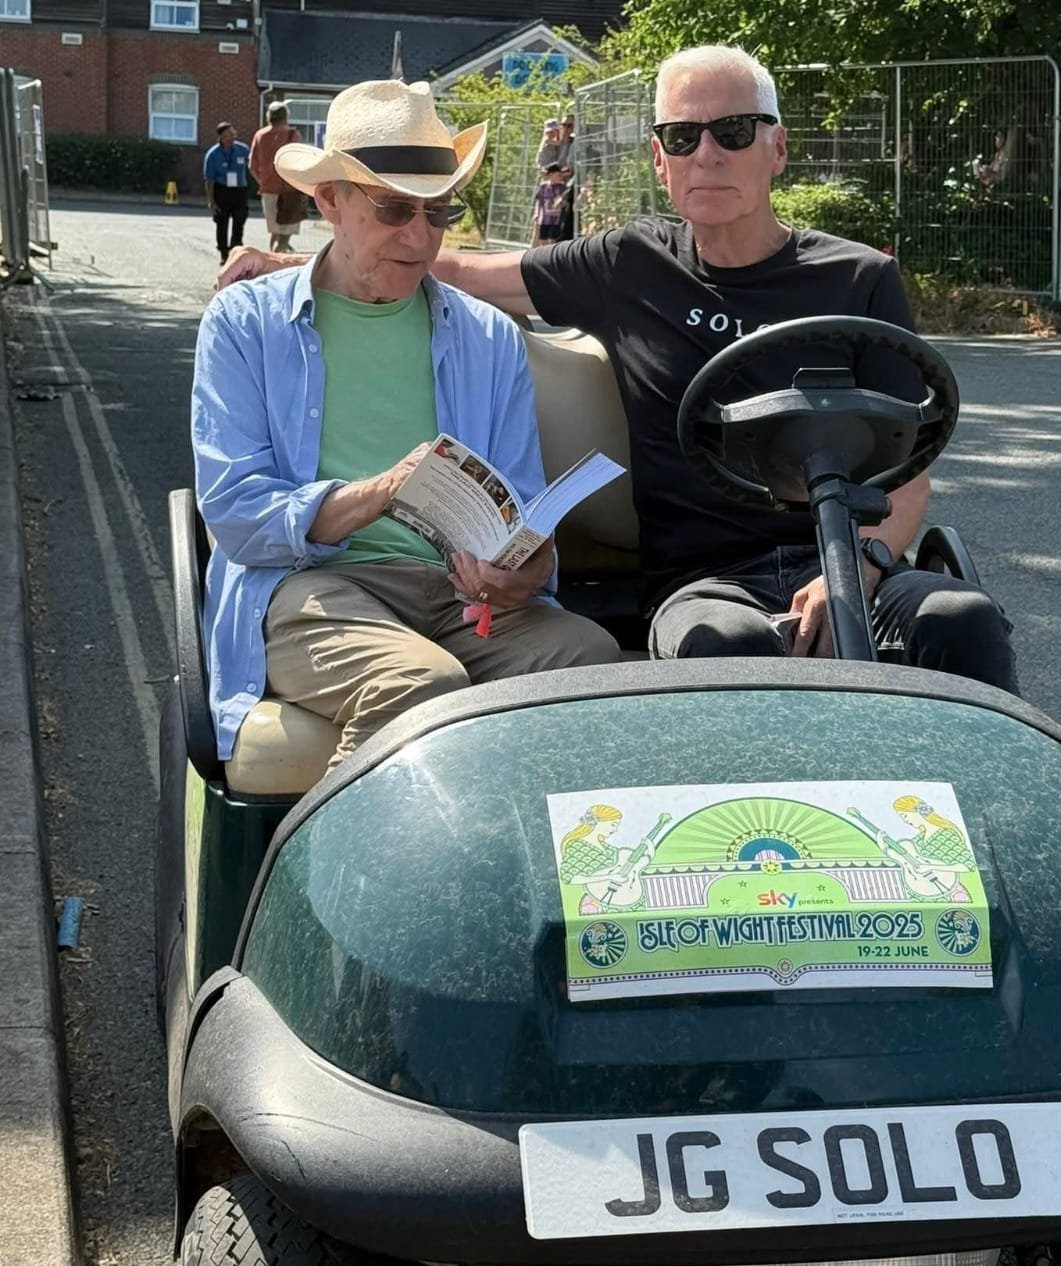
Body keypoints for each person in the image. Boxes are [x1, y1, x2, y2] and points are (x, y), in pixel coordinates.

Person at [215, 47, 1017, 694]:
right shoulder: (629, 263)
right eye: (681, 137)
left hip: (852, 555)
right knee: (724, 649)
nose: (707, 154)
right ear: (662, 163)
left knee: (962, 618)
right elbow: (442, 264)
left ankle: (989, 857)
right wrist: (284, 264)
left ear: (778, 147)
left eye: (734, 131)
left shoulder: (859, 279)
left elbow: (909, 473)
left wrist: (861, 570)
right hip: (708, 580)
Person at [193, 78, 618, 777]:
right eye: (395, 210)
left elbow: (521, 503)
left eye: (438, 212)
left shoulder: (489, 336)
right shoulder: (245, 324)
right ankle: (337, 883)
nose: (420, 238)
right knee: (422, 686)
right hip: (312, 583)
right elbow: (236, 513)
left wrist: (525, 569)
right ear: (330, 200)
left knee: (591, 663)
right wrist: (379, 493)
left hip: (457, 598)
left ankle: (531, 873)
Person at [248, 100, 302, 252]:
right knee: (285, 234)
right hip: (290, 190)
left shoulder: (260, 135)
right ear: (286, 116)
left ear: (269, 116)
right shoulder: (293, 134)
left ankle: (272, 258)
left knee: (275, 231)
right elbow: (298, 161)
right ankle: (278, 261)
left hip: (268, 190)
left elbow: (251, 165)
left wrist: (262, 181)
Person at [203, 121, 250, 263]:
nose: (232, 136)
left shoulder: (243, 149)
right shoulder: (213, 154)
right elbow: (209, 179)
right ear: (221, 137)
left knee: (239, 220)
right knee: (222, 223)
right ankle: (224, 252)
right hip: (222, 190)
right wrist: (211, 201)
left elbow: (253, 166)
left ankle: (235, 250)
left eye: (233, 133)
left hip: (239, 191)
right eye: (228, 134)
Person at [531, 162, 568, 245]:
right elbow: (539, 201)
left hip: (557, 219)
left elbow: (566, 202)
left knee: (553, 240)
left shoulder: (563, 188)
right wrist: (537, 213)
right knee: (543, 239)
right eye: (558, 175)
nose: (560, 177)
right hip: (545, 219)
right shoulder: (543, 187)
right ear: (551, 175)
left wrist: (562, 203)